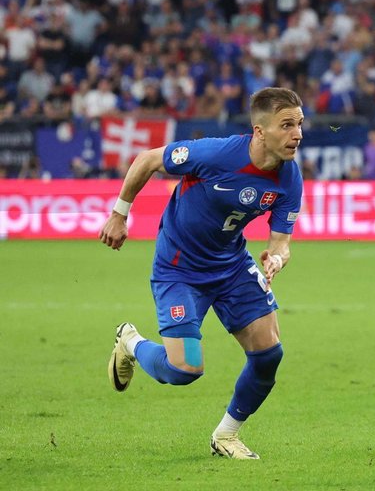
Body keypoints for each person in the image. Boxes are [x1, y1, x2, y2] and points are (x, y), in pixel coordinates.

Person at [99, 87, 305, 460]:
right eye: (286, 125)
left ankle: (226, 435)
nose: (297, 134)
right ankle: (130, 342)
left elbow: (280, 242)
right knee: (185, 369)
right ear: (259, 131)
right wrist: (119, 213)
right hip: (180, 270)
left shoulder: (289, 178)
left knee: (269, 354)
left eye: (300, 124)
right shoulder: (216, 154)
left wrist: (277, 258)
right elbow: (147, 159)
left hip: (231, 266)